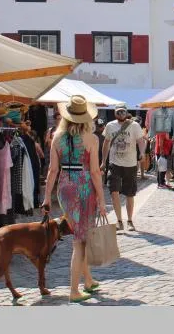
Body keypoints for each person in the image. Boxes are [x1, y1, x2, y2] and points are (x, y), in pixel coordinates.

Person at [42, 95, 107, 304]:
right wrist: (102, 200)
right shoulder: (91, 139)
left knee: (80, 234)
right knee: (80, 241)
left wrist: (46, 198)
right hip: (84, 187)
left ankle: (88, 280)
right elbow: (95, 172)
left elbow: (52, 170)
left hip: (64, 188)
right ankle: (74, 290)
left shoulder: (57, 137)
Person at [101, 104, 144, 232]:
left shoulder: (134, 125)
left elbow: (140, 141)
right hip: (114, 164)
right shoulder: (110, 126)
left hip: (130, 164)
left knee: (129, 193)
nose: (121, 114)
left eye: (123, 111)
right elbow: (106, 143)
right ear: (115, 113)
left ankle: (129, 220)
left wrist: (142, 152)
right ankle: (119, 221)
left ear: (126, 112)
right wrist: (103, 162)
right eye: (118, 112)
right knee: (114, 191)